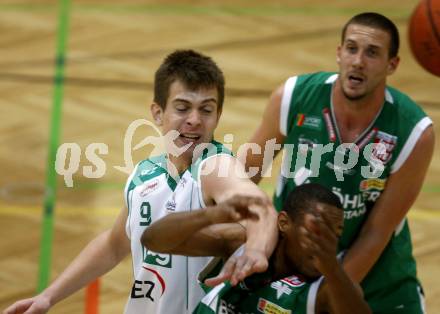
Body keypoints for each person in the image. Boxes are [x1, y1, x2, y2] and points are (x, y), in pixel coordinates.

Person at [4, 50, 278, 314]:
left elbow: (260, 209)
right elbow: (113, 245)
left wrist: (256, 249)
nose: (194, 120)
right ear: (158, 113)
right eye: (183, 108)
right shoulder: (143, 176)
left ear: (217, 116)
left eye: (206, 110)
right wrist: (47, 297)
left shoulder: (215, 167)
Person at [246, 12, 435, 314]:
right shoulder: (293, 97)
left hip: (380, 286)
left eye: (372, 53)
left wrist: (327, 296)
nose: (358, 61)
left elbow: (377, 231)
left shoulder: (413, 131)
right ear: (338, 53)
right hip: (288, 277)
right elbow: (242, 180)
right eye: (351, 48)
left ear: (392, 65)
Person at [142, 183, 372, 314]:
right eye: (316, 230)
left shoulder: (325, 289)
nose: (325, 241)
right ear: (284, 223)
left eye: (336, 234)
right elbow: (153, 239)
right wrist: (210, 215)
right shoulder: (243, 244)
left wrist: (332, 268)